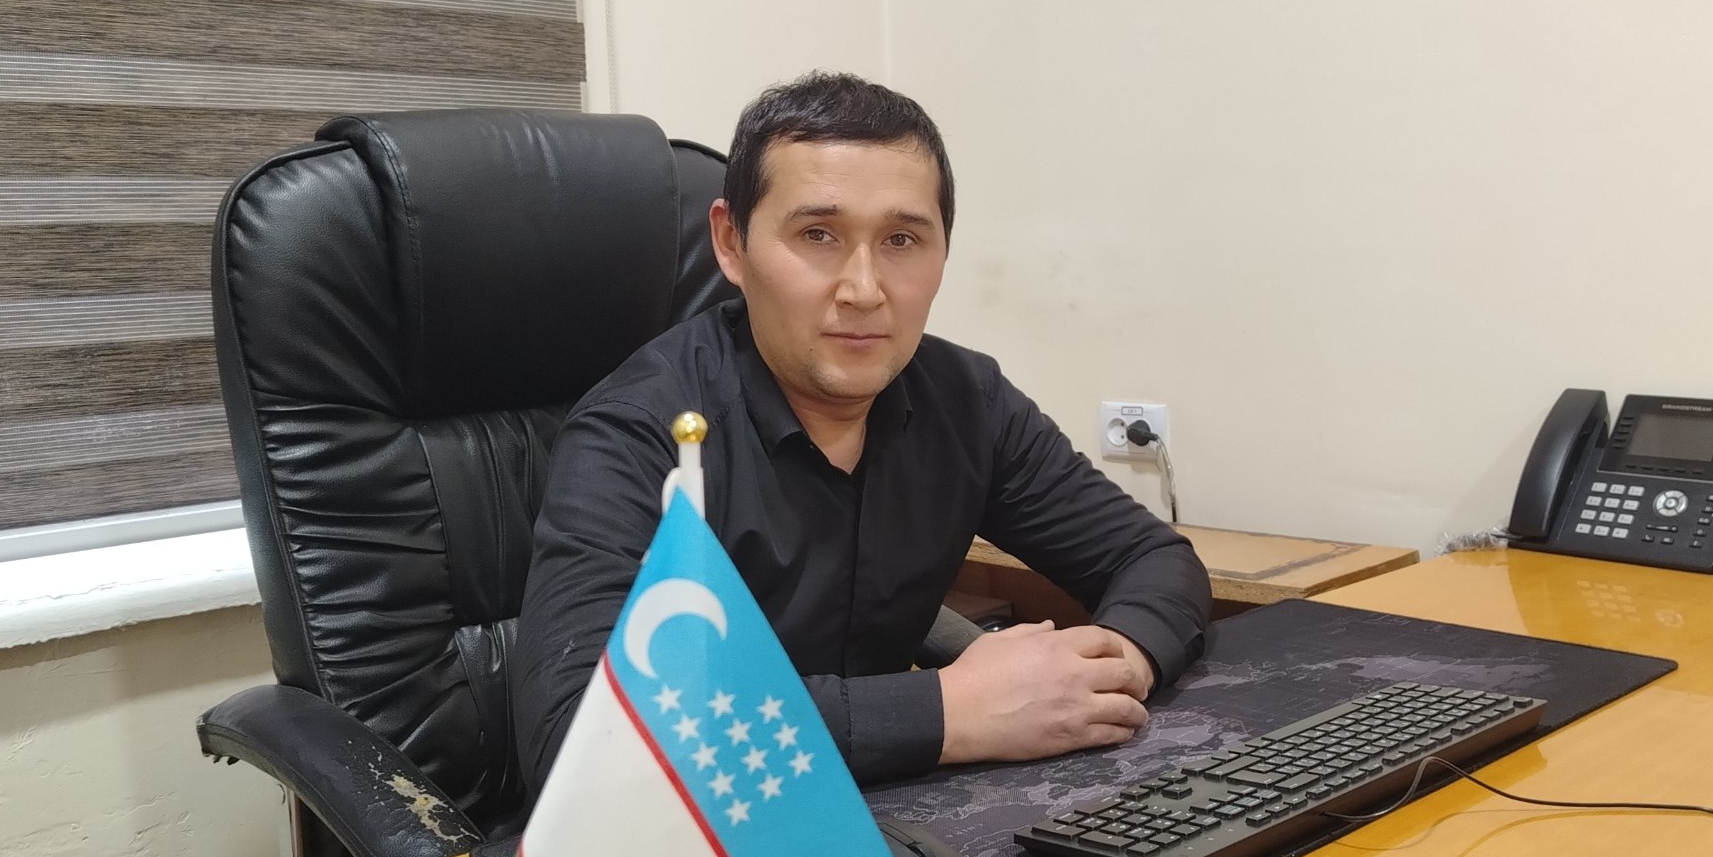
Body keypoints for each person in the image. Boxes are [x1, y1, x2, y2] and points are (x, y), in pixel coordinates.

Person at [512, 72, 1210, 795]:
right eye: (818, 235)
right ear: (730, 243)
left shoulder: (965, 401)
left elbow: (1152, 557)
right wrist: (948, 711)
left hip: (890, 814)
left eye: (902, 239)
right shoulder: (642, 434)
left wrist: (1111, 670)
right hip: (692, 841)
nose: (865, 290)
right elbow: (579, 737)